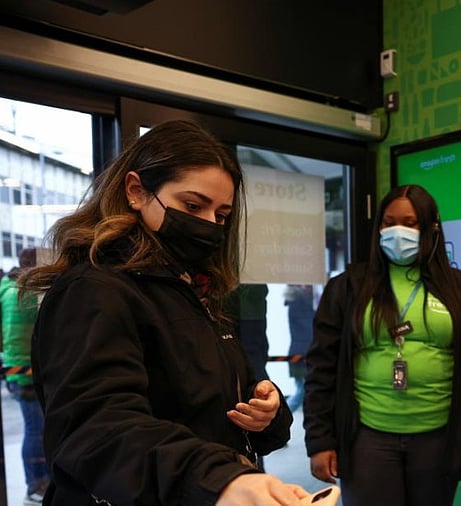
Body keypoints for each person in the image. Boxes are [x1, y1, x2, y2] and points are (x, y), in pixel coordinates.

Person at [18, 119, 309, 505]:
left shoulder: (198, 289)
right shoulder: (94, 289)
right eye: (193, 205)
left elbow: (214, 401)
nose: (208, 225)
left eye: (221, 215)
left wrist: (268, 415)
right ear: (136, 191)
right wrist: (218, 479)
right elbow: (98, 428)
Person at [303, 184, 461, 506]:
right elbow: (321, 367)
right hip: (366, 437)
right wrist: (319, 440)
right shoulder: (349, 287)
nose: (398, 231)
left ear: (431, 227)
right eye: (389, 222)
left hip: (439, 437)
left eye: (410, 223)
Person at [1, 247, 50, 505]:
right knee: (35, 430)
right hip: (26, 371)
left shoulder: (7, 291)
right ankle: (36, 484)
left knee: (34, 428)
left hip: (15, 369)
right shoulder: (26, 294)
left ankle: (38, 482)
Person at [283, 284, 315, 412]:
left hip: (298, 351)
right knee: (302, 391)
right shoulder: (301, 302)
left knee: (302, 390)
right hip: (303, 353)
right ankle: (282, 415)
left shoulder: (294, 301)